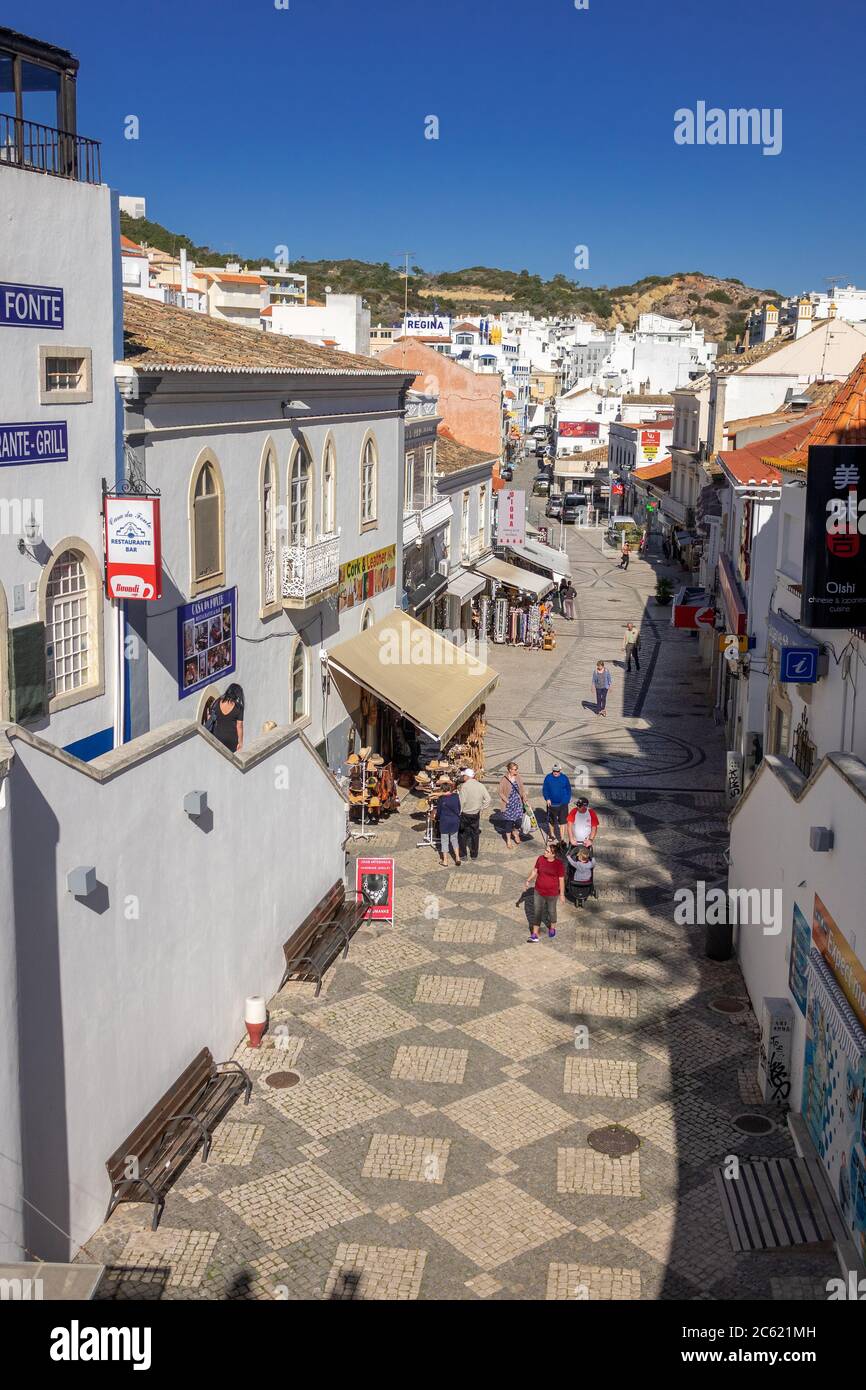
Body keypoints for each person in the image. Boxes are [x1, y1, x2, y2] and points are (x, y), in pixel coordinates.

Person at [524, 839, 565, 941]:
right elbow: (535, 871)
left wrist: (562, 894)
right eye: (545, 850)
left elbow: (561, 880)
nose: (544, 852)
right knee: (537, 911)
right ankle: (535, 934)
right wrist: (528, 880)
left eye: (547, 851)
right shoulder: (540, 859)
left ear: (553, 854)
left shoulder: (559, 864)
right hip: (539, 891)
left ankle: (552, 928)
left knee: (551, 911)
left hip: (552, 893)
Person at [457, 768, 491, 860]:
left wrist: (459, 813)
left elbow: (461, 802)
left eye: (464, 775)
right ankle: (474, 854)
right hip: (475, 813)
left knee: (462, 834)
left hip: (465, 814)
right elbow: (488, 799)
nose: (463, 777)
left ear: (467, 777)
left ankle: (463, 854)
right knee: (475, 834)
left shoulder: (464, 786)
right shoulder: (480, 785)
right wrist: (482, 807)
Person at [499, 760, 528, 849]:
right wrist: (506, 801)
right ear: (510, 770)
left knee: (519, 822)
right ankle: (508, 840)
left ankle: (515, 832)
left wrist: (525, 797)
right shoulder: (504, 779)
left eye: (516, 769)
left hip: (518, 803)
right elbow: (500, 792)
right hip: (509, 805)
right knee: (509, 823)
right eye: (515, 769)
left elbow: (522, 788)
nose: (516, 771)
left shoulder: (518, 777)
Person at [542, 763, 572, 845]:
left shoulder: (564, 778)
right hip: (551, 804)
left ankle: (562, 839)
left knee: (563, 822)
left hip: (563, 805)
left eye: (557, 771)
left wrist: (566, 800)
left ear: (560, 770)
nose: (555, 772)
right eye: (554, 771)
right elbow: (545, 789)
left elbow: (568, 789)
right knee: (551, 821)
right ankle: (551, 835)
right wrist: (547, 798)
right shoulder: (548, 777)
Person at [435, 778, 462, 867]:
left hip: (445, 821)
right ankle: (457, 858)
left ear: (442, 790)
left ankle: (445, 861)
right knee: (454, 839)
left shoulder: (441, 799)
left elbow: (439, 812)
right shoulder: (456, 796)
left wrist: (437, 818)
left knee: (444, 840)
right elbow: (458, 808)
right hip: (455, 820)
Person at [210, 684, 244, 752]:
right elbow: (239, 726)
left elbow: (210, 715)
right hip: (231, 739)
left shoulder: (217, 701)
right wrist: (240, 742)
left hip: (217, 736)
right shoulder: (239, 707)